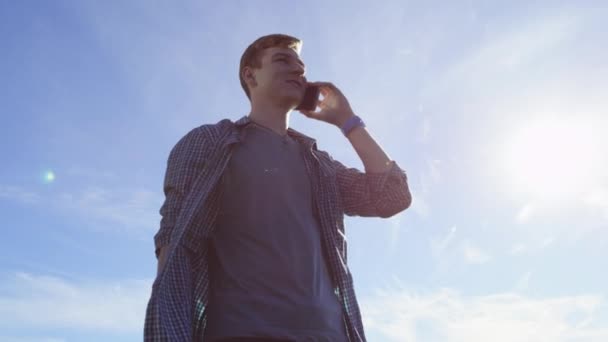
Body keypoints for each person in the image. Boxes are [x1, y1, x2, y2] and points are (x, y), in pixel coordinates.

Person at [144, 33, 412, 342]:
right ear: (250, 74)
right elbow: (174, 242)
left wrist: (347, 121)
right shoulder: (209, 142)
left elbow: (393, 197)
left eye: (301, 65)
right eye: (283, 60)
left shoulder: (320, 164)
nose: (298, 70)